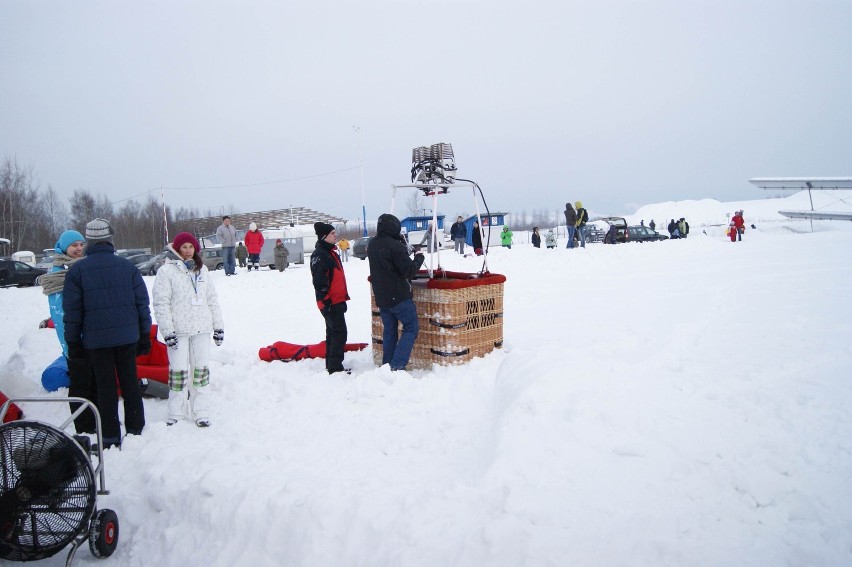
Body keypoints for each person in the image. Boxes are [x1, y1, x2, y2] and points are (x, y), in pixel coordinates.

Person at [63, 219, 152, 448]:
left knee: (105, 387)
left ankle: (111, 436)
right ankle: (135, 429)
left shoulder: (77, 271)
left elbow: (72, 312)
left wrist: (73, 342)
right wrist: (144, 335)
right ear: (109, 239)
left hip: (96, 341)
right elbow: (142, 304)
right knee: (130, 382)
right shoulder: (128, 268)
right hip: (127, 338)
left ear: (89, 241)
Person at [152, 232, 224, 427]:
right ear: (176, 249)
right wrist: (168, 331)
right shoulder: (166, 272)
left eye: (190, 247)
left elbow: (212, 300)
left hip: (201, 329)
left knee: (200, 372)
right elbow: (161, 303)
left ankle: (201, 411)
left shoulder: (203, 271)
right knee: (178, 372)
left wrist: (218, 326)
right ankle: (176, 412)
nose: (187, 251)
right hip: (179, 332)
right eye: (183, 247)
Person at [39, 229, 97, 434]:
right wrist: (70, 342)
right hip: (74, 338)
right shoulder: (56, 275)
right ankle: (84, 425)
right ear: (64, 247)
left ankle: (96, 419)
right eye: (74, 245)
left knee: (95, 381)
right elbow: (59, 313)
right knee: (81, 383)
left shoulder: (86, 267)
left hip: (92, 335)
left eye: (81, 244)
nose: (79, 249)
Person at [368, 214, 425, 371]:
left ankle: (387, 364)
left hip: (382, 297)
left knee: (390, 331)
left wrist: (399, 244)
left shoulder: (372, 244)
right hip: (399, 297)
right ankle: (398, 365)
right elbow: (409, 271)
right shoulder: (396, 247)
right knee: (411, 328)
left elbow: (386, 259)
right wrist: (419, 257)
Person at [310, 222, 350, 374]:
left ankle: (331, 364)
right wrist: (326, 301)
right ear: (324, 237)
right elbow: (319, 281)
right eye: (332, 234)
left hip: (337, 300)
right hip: (330, 302)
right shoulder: (320, 255)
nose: (336, 236)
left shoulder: (330, 252)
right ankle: (335, 367)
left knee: (333, 333)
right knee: (339, 333)